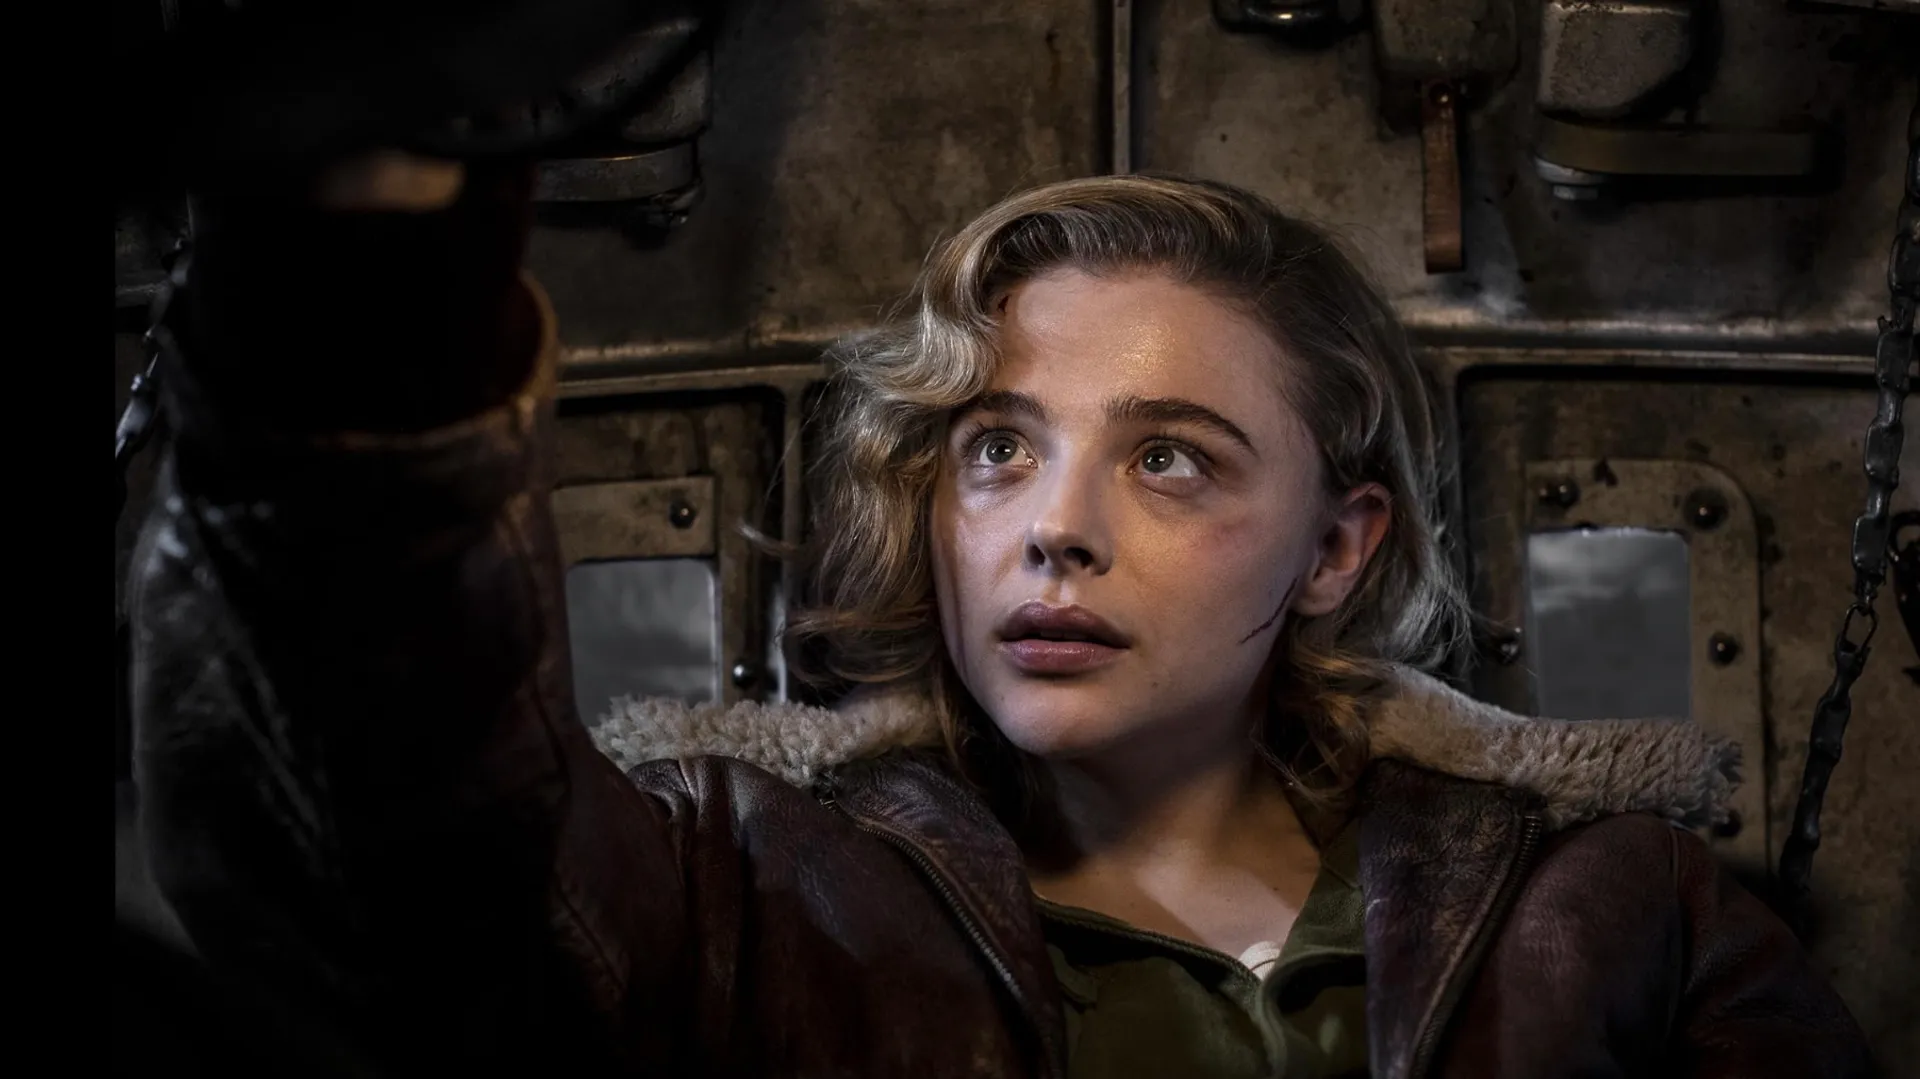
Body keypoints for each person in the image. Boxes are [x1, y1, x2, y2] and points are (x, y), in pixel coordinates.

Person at [128, 149, 1870, 1078]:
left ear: (1336, 550)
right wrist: (364, 259)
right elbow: (384, 850)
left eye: (1170, 459)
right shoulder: (734, 882)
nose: (1054, 528)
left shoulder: (1620, 910)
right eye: (995, 448)